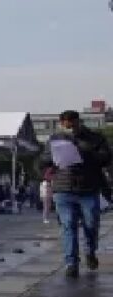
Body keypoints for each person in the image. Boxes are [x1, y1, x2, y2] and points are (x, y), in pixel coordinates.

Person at [41, 110, 111, 277]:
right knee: (68, 224)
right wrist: (52, 158)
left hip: (89, 188)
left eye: (73, 124)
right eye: (66, 125)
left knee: (91, 224)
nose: (70, 128)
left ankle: (90, 251)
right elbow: (42, 161)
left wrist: (84, 152)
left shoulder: (95, 138)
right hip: (63, 188)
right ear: (61, 124)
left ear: (79, 122)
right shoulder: (54, 139)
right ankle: (71, 262)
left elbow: (107, 158)